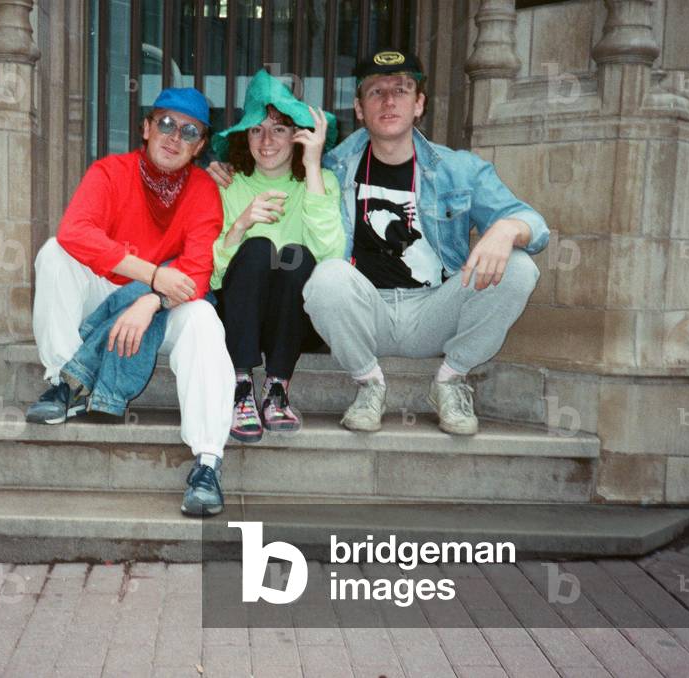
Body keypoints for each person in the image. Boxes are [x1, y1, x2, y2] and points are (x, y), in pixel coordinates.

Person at [208, 50, 549, 436]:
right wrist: (223, 165)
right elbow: (282, 168)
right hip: (364, 313)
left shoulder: (459, 169)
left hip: (436, 310)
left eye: (401, 90)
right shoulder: (332, 165)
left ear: (419, 103)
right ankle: (369, 384)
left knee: (520, 266)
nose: (388, 101)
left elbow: (534, 225)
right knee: (327, 274)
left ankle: (451, 380)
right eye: (375, 92)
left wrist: (505, 230)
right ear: (359, 107)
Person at [27, 87, 234, 517]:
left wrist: (151, 300)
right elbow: (75, 233)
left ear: (198, 147)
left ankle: (208, 463)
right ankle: (67, 381)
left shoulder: (202, 191)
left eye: (188, 131)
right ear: (146, 128)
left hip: (163, 308)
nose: (174, 136)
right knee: (53, 253)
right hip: (105, 295)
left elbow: (196, 270)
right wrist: (153, 274)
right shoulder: (110, 172)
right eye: (165, 123)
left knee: (205, 320)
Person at [209, 70, 344, 442]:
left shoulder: (322, 181)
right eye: (256, 129)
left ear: (297, 136)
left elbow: (331, 258)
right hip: (237, 316)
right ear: (244, 136)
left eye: (279, 129)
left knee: (297, 255)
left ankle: (276, 387)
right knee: (257, 249)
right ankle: (240, 386)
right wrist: (239, 226)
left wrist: (314, 165)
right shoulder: (227, 183)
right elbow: (213, 277)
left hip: (295, 319)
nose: (266, 140)